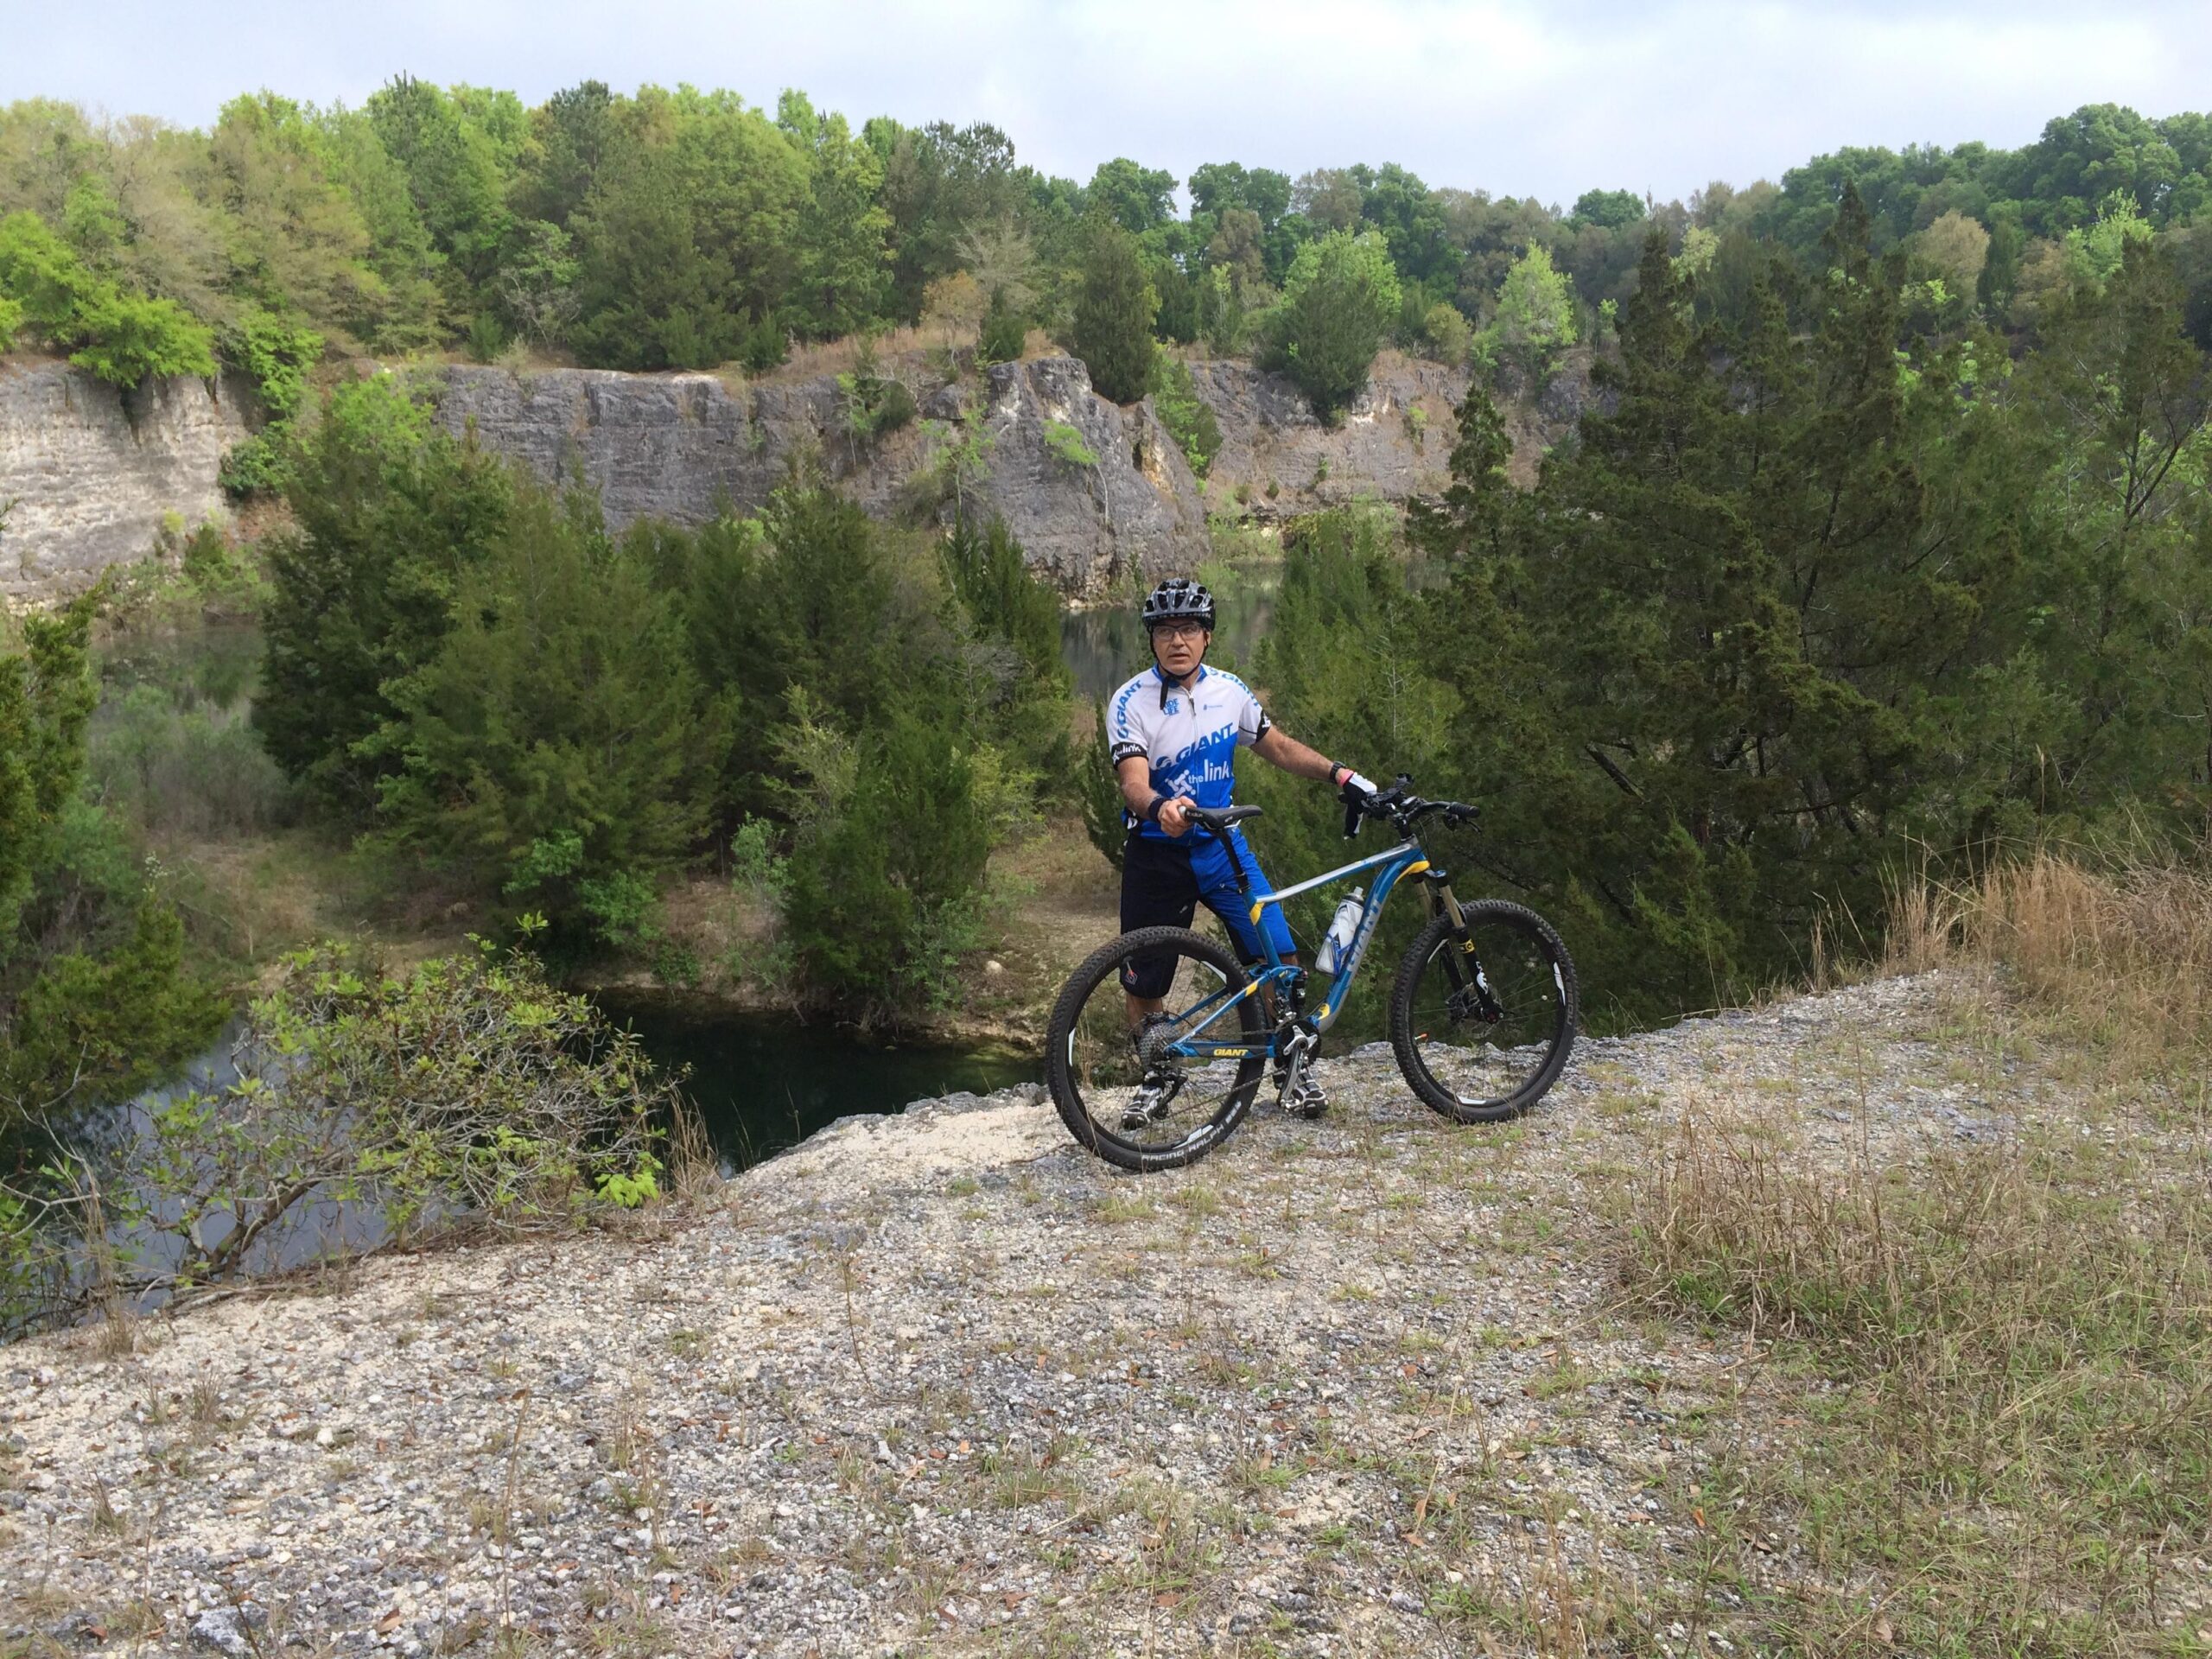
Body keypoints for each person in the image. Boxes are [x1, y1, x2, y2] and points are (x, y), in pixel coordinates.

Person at [1107, 576, 1375, 1120]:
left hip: (1223, 849)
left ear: (1207, 637)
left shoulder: (1231, 690)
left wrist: (1340, 774)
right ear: (1152, 639)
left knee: (1280, 960)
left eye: (1188, 628)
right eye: (1165, 630)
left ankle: (1293, 1070)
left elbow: (1276, 746)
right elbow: (1133, 780)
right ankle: (1158, 1076)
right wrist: (1159, 807)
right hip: (1157, 854)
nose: (1177, 640)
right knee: (1144, 980)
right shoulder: (1130, 700)